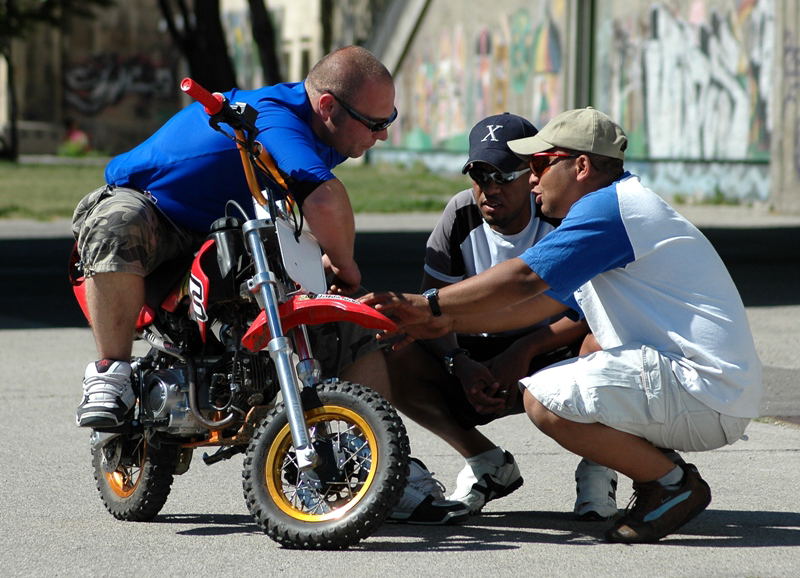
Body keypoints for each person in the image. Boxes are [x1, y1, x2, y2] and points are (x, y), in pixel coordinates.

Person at [362, 107, 763, 543]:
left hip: (702, 390)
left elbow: (522, 280)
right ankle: (656, 477)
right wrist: (440, 323)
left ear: (582, 166)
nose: (531, 179)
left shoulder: (609, 211)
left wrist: (430, 305)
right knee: (554, 386)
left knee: (546, 400)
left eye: (538, 165)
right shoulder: (613, 209)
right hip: (704, 388)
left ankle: (671, 484)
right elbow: (534, 306)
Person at [72, 45, 398, 428]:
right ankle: (111, 371)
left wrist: (330, 277)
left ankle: (380, 456)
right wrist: (345, 266)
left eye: (389, 119)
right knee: (119, 220)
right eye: (375, 123)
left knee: (340, 307)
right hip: (155, 210)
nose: (385, 135)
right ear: (327, 106)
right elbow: (324, 198)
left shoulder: (334, 133)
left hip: (230, 228)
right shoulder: (275, 116)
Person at [379, 113, 618, 524]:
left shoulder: (562, 213)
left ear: (533, 173)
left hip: (550, 342)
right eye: (479, 174)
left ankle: (600, 465)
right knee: (394, 346)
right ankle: (486, 461)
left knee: (603, 343)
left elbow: (594, 311)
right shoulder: (458, 215)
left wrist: (524, 350)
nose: (489, 188)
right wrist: (460, 363)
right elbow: (430, 311)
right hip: (474, 350)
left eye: (503, 174)